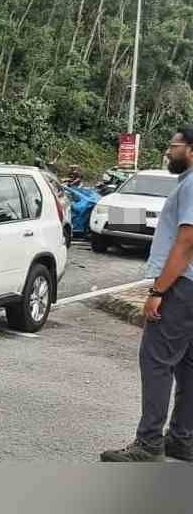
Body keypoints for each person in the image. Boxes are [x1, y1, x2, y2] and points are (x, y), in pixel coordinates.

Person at [101, 127, 193, 462]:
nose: (169, 151)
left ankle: (149, 442)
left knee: (156, 361)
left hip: (182, 286)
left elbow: (185, 243)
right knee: (187, 364)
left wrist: (158, 290)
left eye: (174, 145)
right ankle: (182, 439)